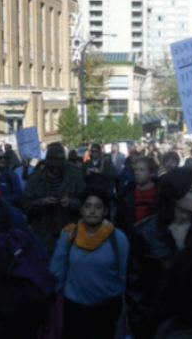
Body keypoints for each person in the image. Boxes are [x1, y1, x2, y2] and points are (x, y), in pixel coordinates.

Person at [127, 167, 192, 335]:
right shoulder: (145, 232)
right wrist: (142, 325)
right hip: (159, 322)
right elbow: (135, 285)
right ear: (174, 194)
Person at [50, 186, 129, 339]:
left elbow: (123, 275)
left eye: (98, 207)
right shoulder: (69, 235)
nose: (92, 211)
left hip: (106, 309)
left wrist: (124, 309)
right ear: (81, 209)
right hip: (74, 309)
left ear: (105, 211)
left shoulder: (118, 238)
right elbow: (57, 271)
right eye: (88, 206)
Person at [19, 142, 86, 255]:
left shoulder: (75, 177)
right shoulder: (35, 179)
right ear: (47, 163)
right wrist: (41, 203)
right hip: (43, 235)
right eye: (53, 166)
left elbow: (85, 203)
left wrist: (70, 203)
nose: (56, 169)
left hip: (69, 234)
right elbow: (24, 205)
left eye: (59, 166)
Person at [115, 156, 159, 238]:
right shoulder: (126, 193)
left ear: (152, 173)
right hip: (131, 239)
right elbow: (119, 220)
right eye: (136, 170)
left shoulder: (160, 192)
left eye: (142, 170)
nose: (137, 173)